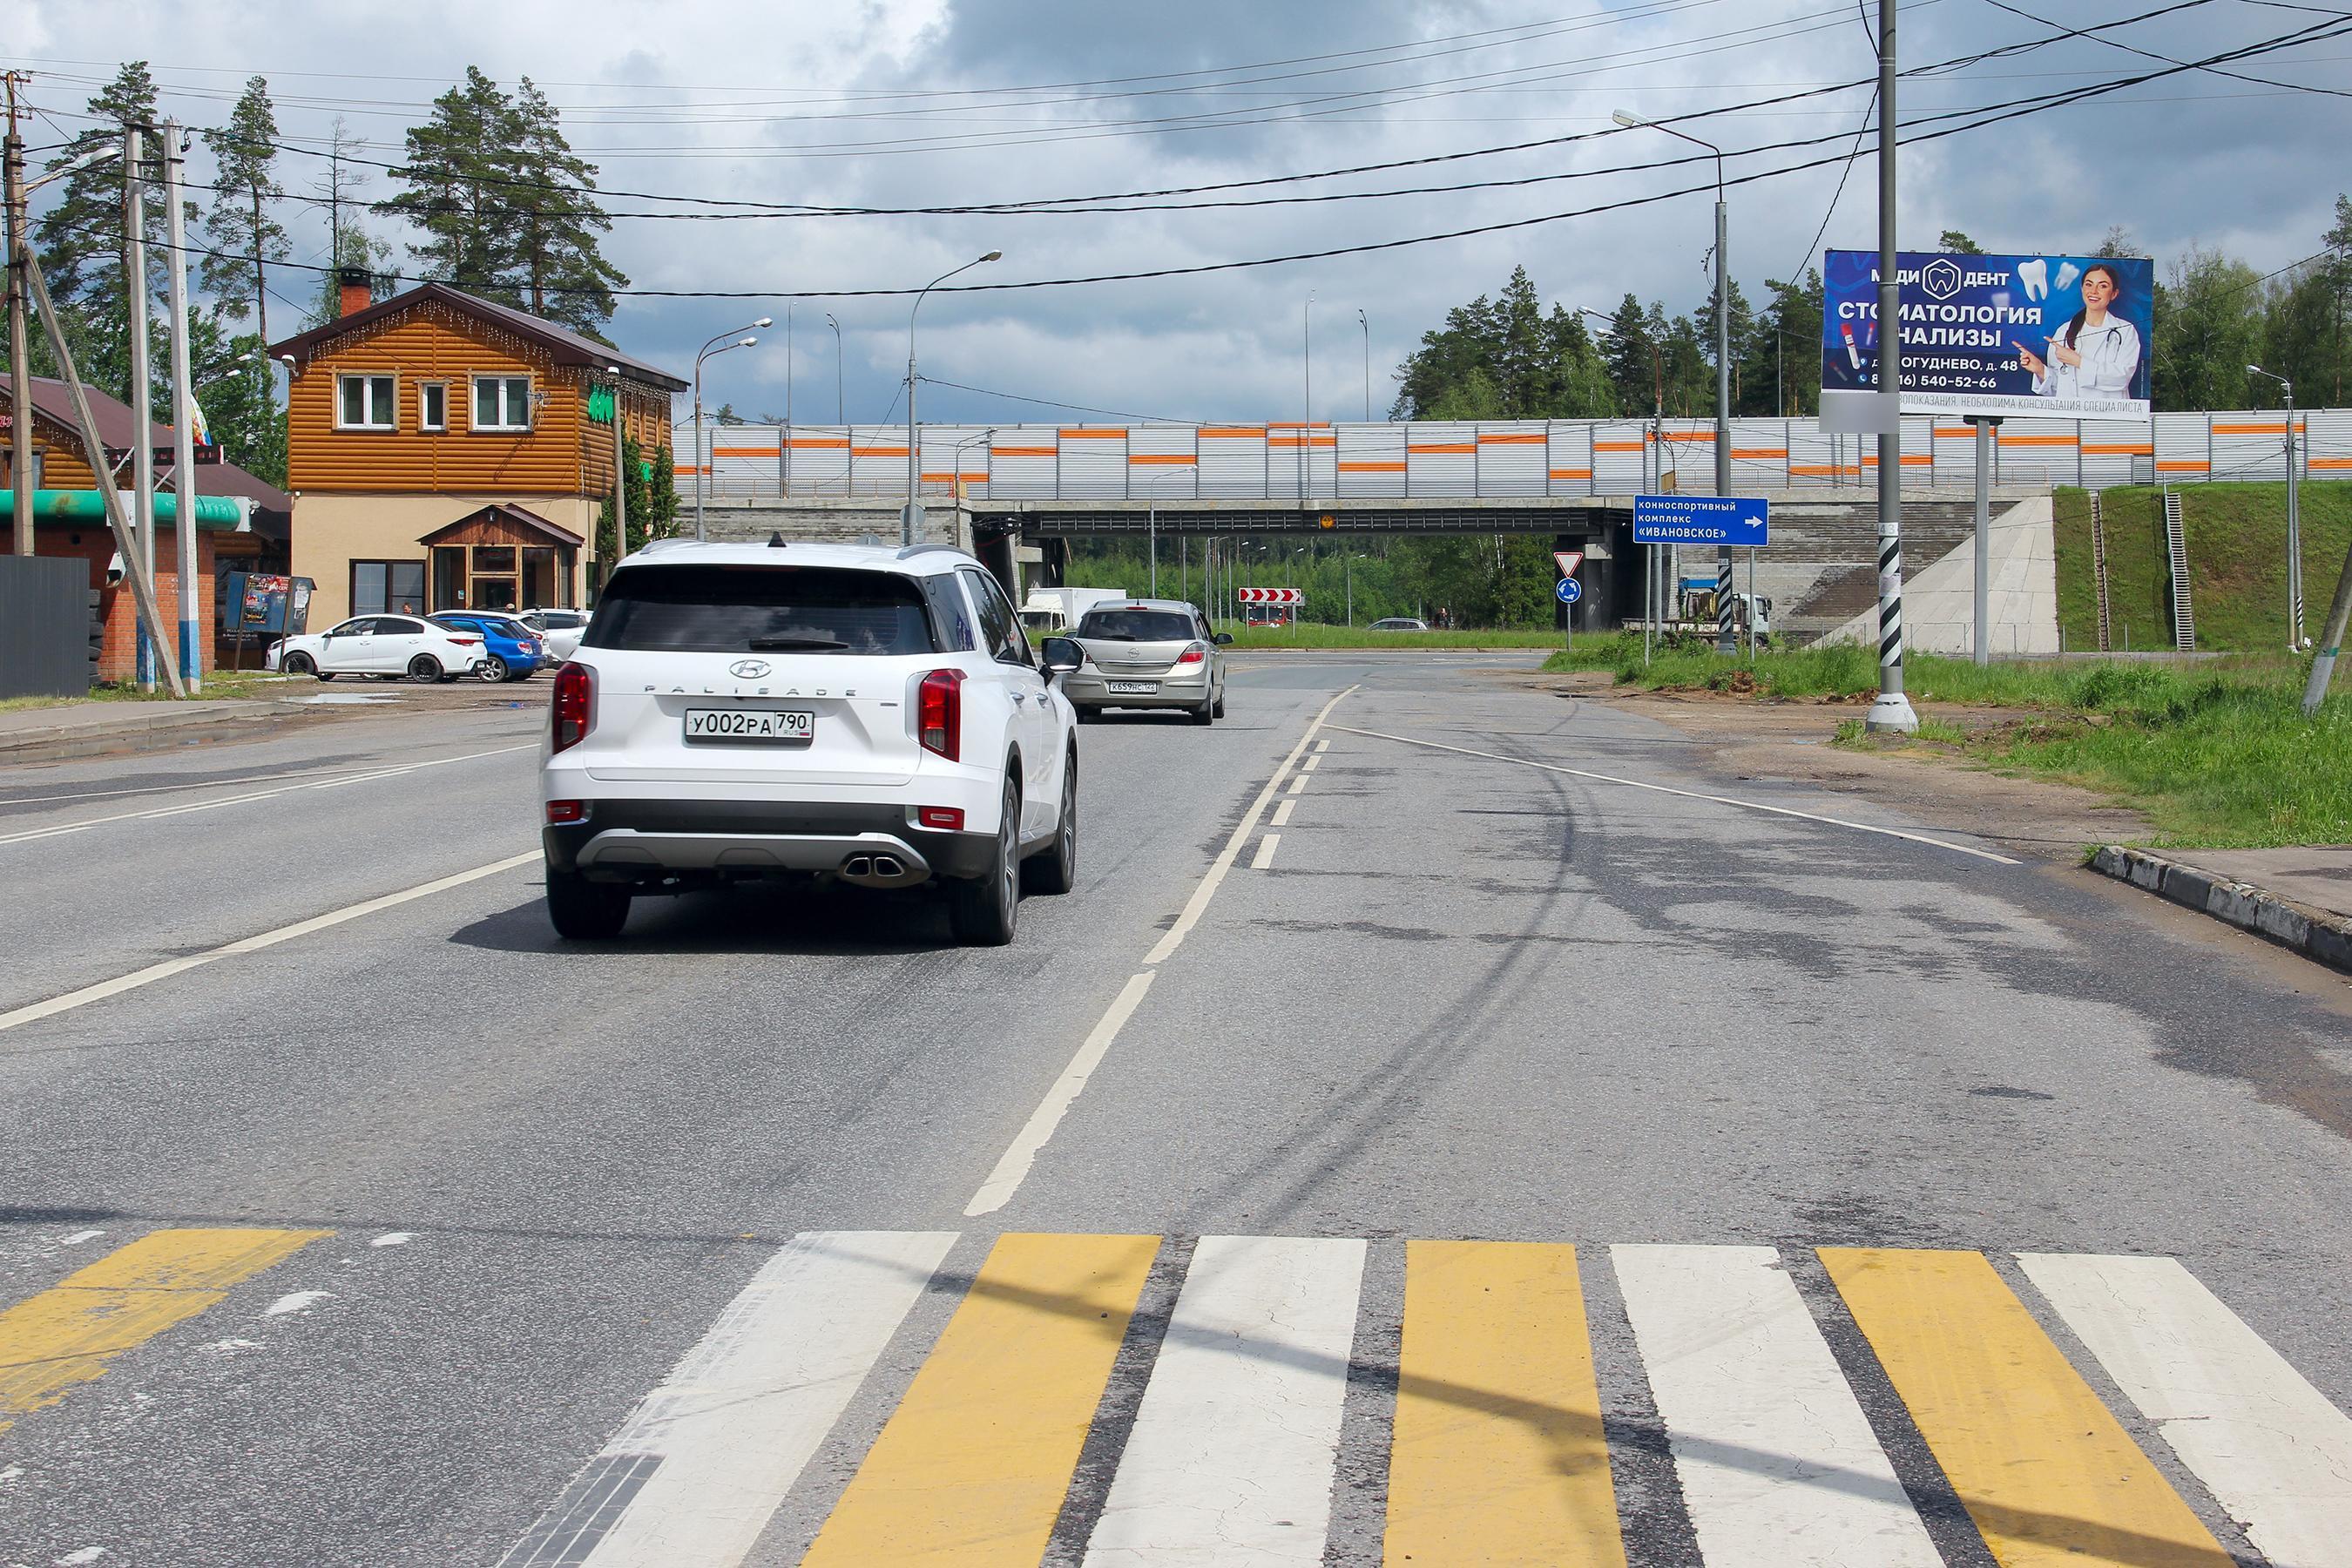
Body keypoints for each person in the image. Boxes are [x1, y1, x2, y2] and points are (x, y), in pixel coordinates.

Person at [2015, 262, 2140, 401]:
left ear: (2114, 294)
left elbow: (2121, 379)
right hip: (2071, 419)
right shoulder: (2064, 332)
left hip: (2108, 419)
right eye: (2089, 284)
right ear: (2082, 289)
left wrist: (2079, 362)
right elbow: (2059, 387)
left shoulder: (2125, 331)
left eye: (2103, 286)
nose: (2094, 291)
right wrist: (2040, 370)